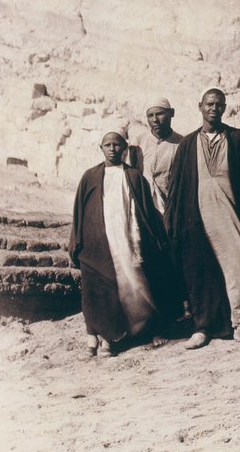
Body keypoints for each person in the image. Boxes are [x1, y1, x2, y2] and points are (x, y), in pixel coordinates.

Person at [165, 88, 240, 349]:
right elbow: (178, 186)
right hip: (197, 219)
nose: (214, 108)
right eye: (209, 104)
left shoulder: (239, 138)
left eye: (219, 104)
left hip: (232, 217)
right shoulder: (187, 144)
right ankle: (203, 327)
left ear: (225, 108)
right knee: (201, 274)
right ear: (200, 106)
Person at [70, 131, 177, 356]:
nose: (112, 149)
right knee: (99, 287)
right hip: (98, 242)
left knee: (133, 284)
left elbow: (147, 212)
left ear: (125, 149)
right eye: (107, 145)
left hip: (128, 239)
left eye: (117, 145)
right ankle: (96, 338)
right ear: (101, 148)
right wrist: (77, 242)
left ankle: (129, 334)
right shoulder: (89, 176)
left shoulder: (135, 177)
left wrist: (155, 240)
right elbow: (79, 212)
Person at [131, 97, 184, 216]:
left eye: (160, 114)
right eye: (150, 115)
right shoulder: (137, 142)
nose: (155, 120)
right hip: (143, 206)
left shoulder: (182, 144)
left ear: (171, 113)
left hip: (170, 208)